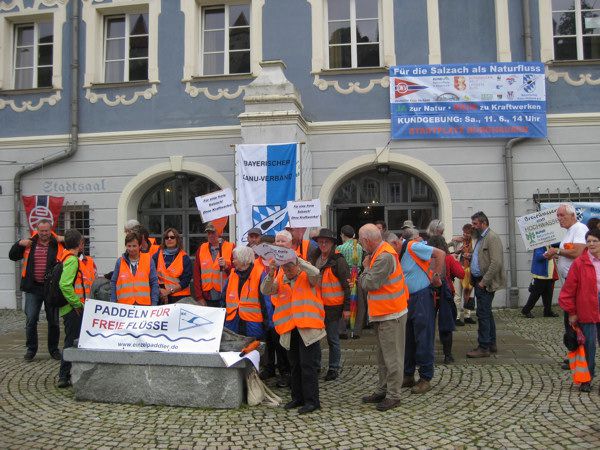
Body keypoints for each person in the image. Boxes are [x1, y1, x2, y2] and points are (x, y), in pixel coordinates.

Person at [261, 256, 325, 414]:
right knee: (295, 365)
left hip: (308, 328)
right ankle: (297, 398)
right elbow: (265, 290)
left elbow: (316, 273)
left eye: (290, 268)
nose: (287, 271)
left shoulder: (306, 276)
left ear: (297, 266)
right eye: (285, 268)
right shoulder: (280, 278)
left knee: (307, 365)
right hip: (290, 329)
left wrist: (300, 261)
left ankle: (312, 401)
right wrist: (271, 272)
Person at [358, 224, 408, 411]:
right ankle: (383, 389)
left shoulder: (384, 256)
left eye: (362, 241)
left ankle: (394, 395)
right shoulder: (379, 253)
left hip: (391, 314)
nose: (362, 245)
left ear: (367, 240)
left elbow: (370, 283)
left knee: (392, 357)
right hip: (383, 313)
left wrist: (364, 270)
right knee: (383, 356)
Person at [393, 228, 444, 393]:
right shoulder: (399, 253)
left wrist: (436, 275)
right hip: (408, 299)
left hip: (421, 297)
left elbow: (440, 254)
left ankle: (425, 377)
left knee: (423, 337)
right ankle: (408, 375)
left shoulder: (412, 247)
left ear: (396, 242)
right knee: (407, 338)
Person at [9, 218, 64, 361]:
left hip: (51, 289)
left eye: (46, 231)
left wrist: (62, 238)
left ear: (50, 230)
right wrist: (19, 243)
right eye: (41, 231)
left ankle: (53, 349)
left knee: (53, 321)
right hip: (33, 287)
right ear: (37, 230)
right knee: (31, 319)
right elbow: (12, 256)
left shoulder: (57, 243)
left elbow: (77, 243)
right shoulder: (29, 243)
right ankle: (31, 349)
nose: (44, 233)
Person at [558, 228, 600, 393]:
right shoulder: (579, 263)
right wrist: (572, 312)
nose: (591, 244)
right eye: (588, 241)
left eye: (595, 241)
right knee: (589, 344)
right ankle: (587, 379)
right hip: (587, 309)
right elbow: (568, 291)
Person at [310, 228, 350, 381]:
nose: (323, 244)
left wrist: (347, 308)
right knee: (315, 338)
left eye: (326, 241)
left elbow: (347, 286)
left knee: (333, 339)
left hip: (333, 306)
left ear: (332, 243)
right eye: (321, 241)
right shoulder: (314, 258)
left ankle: (333, 367)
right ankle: (317, 365)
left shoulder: (338, 260)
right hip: (316, 305)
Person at [466, 211, 506, 358]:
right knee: (487, 313)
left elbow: (496, 262)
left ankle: (484, 347)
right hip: (479, 280)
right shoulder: (481, 237)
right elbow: (484, 257)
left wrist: (484, 282)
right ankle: (491, 343)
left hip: (485, 282)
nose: (473, 226)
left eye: (475, 224)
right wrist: (472, 257)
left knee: (482, 314)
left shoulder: (492, 237)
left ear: (483, 223)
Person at [259, 230, 291, 387]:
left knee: (281, 345)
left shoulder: (279, 263)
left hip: (278, 309)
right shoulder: (258, 263)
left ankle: (285, 373)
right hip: (264, 309)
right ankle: (270, 368)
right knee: (270, 343)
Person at [57, 229, 86, 388]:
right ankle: (63, 375)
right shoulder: (73, 260)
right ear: (79, 244)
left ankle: (66, 373)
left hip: (70, 308)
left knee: (72, 340)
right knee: (70, 341)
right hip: (72, 309)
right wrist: (77, 304)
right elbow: (65, 285)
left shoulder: (65, 257)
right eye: (82, 242)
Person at [428, 235, 464, 363]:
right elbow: (461, 273)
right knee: (446, 324)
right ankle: (447, 355)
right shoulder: (448, 258)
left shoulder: (426, 258)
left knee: (428, 324)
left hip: (428, 293)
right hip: (445, 293)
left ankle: (427, 354)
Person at [223, 246, 269, 339]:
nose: (233, 261)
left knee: (254, 351)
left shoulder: (260, 274)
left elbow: (266, 303)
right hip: (233, 322)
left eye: (235, 258)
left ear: (242, 259)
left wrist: (267, 324)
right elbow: (223, 297)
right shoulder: (232, 274)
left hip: (252, 324)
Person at [110, 232, 159, 305]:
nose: (131, 249)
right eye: (129, 246)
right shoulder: (120, 262)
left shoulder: (148, 260)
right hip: (124, 307)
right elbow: (113, 282)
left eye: (134, 246)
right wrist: (113, 303)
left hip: (144, 306)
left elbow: (154, 283)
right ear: (126, 246)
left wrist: (154, 304)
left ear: (140, 246)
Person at [193, 222, 234, 307]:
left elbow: (237, 273)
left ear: (220, 233)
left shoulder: (231, 247)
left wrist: (226, 267)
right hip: (207, 296)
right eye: (208, 233)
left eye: (213, 232)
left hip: (225, 295)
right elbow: (196, 274)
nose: (210, 235)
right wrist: (199, 297)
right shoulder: (201, 248)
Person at [545, 204, 588, 282]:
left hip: (578, 278)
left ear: (572, 215)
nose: (559, 218)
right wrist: (554, 255)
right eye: (558, 216)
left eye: (562, 215)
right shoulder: (569, 230)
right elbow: (568, 254)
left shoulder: (579, 228)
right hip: (572, 278)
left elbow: (578, 253)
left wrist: (556, 251)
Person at [336, 225, 366, 339]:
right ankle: (356, 331)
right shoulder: (358, 247)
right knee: (358, 304)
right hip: (357, 276)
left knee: (344, 302)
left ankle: (342, 330)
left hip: (345, 278)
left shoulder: (340, 248)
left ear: (343, 235)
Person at [152, 228, 192, 304]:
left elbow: (186, 281)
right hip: (162, 297)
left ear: (177, 239)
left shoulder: (184, 258)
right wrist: (161, 290)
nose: (169, 239)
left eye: (172, 237)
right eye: (167, 237)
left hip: (180, 298)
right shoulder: (156, 256)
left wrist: (169, 291)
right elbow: (152, 277)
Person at [521, 245, 559, 318]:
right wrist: (549, 253)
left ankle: (547, 311)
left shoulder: (550, 245)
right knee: (535, 295)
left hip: (549, 276)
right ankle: (526, 310)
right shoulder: (539, 246)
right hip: (540, 276)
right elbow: (538, 257)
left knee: (548, 295)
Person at [452, 224, 476, 325]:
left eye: (467, 233)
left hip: (470, 270)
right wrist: (456, 244)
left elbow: (477, 256)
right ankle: (456, 317)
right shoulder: (459, 241)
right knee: (457, 294)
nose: (465, 235)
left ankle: (467, 315)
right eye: (464, 233)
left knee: (468, 293)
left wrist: (469, 255)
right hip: (459, 269)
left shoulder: (474, 242)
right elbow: (449, 247)